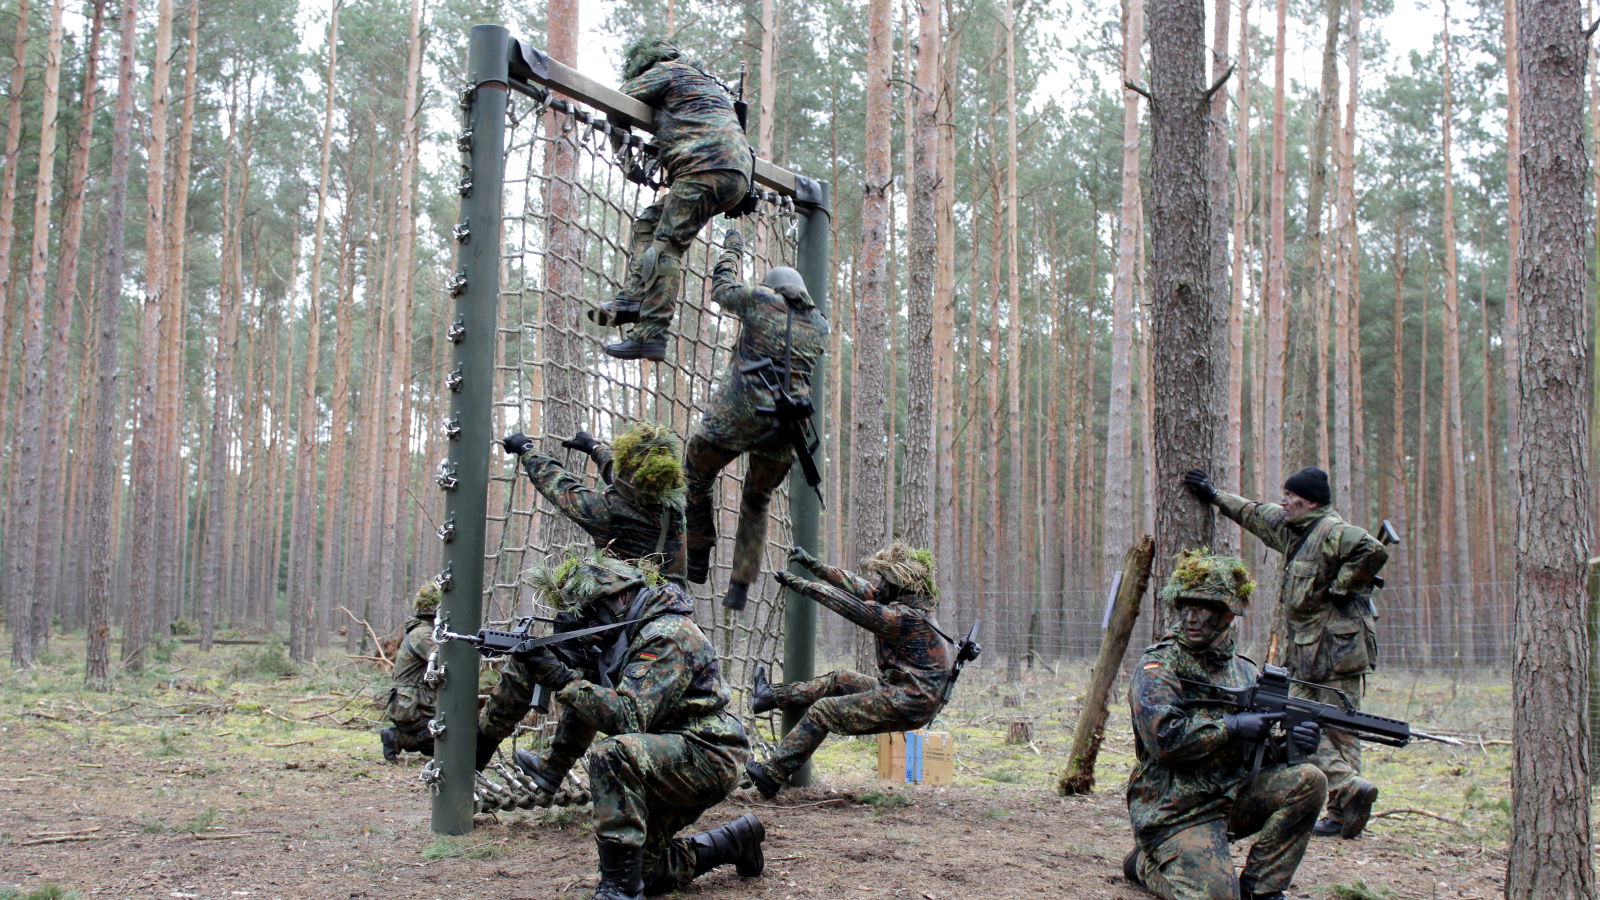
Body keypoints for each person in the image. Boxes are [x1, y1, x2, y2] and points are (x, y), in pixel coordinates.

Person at [472, 551, 763, 900]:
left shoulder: (667, 635)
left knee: (612, 754)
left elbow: (626, 717)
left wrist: (563, 678)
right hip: (663, 754)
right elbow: (594, 703)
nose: (589, 623)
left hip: (708, 752)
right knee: (648, 873)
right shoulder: (624, 637)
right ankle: (734, 841)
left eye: (592, 613)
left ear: (621, 598)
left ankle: (619, 892)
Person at [1182, 466, 1389, 839]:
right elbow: (1253, 512)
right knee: (1336, 726)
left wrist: (1343, 585)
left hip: (1337, 652)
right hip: (1311, 651)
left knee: (1312, 722)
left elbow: (1371, 549)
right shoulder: (1292, 529)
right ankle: (1346, 810)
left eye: (1290, 497)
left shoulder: (1331, 531)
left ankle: (1344, 791)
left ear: (1309, 502)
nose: (1283, 501)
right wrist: (1215, 495)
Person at [1124, 550, 1326, 900]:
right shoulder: (1159, 666)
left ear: (1229, 614)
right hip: (1174, 809)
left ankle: (1262, 889)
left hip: (1228, 797)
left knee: (1309, 780)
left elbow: (1251, 752)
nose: (1191, 617)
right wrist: (1230, 725)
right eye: (1185, 606)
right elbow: (1164, 740)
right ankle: (1144, 862)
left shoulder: (1245, 670)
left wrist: (1291, 745)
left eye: (1204, 608)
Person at [683, 226, 827, 610]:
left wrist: (733, 247)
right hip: (785, 429)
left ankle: (697, 551)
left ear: (772, 286)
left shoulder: (761, 300)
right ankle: (740, 586)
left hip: (737, 415)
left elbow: (722, 287)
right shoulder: (820, 324)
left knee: (696, 472)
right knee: (758, 500)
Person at [744, 543, 952, 799]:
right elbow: (858, 587)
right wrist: (814, 565)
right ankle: (770, 697)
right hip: (903, 692)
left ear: (899, 585)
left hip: (909, 702)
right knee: (840, 679)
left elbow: (851, 606)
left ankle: (771, 775)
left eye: (884, 580)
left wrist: (805, 586)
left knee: (824, 712)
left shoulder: (901, 617)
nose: (879, 586)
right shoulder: (906, 604)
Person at [592, 37, 754, 362]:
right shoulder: (707, 87)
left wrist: (627, 163)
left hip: (702, 168)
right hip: (735, 176)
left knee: (666, 246)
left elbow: (616, 101)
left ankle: (652, 333)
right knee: (649, 223)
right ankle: (633, 298)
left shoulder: (666, 72)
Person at [500, 422, 688, 586]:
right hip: (673, 607)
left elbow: (561, 488)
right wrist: (594, 448)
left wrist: (526, 450)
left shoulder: (612, 512)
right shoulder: (673, 501)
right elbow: (627, 478)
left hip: (630, 618)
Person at [380, 584, 441, 763]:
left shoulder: (422, 631)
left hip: (414, 703)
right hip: (413, 706)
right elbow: (444, 662)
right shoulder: (424, 634)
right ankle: (396, 738)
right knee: (448, 744)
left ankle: (396, 737)